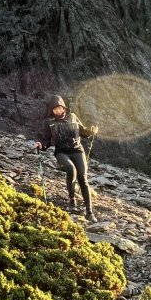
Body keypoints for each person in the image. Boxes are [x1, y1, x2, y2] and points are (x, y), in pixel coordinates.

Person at [33, 94, 99, 223]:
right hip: (61, 152)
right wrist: (40, 144)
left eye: (60, 107)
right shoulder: (49, 123)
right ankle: (72, 200)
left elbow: (83, 132)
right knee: (70, 169)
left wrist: (92, 131)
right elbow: (46, 140)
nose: (57, 110)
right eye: (54, 109)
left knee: (83, 178)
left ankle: (89, 211)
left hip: (77, 151)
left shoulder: (73, 117)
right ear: (51, 110)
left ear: (64, 107)